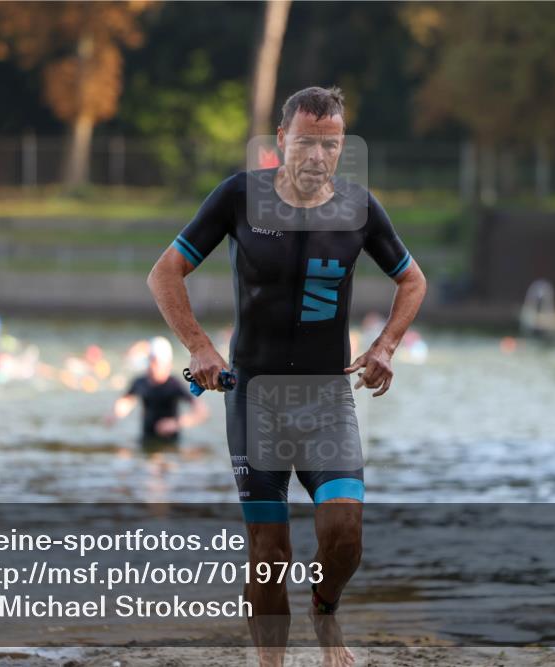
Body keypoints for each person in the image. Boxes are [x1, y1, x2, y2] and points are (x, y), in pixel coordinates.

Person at [147, 86, 427, 666]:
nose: (317, 157)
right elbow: (165, 273)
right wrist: (200, 347)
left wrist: (387, 344)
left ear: (342, 147)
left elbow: (412, 280)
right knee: (269, 550)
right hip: (255, 398)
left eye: (330, 145)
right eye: (306, 143)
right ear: (281, 141)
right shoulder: (238, 197)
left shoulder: (360, 209)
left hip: (327, 397)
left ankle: (325, 612)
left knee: (345, 533)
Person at [105, 336, 208, 451]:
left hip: (170, 445)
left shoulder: (174, 385)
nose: (152, 367)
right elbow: (126, 402)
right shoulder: (140, 382)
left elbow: (201, 411)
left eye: (156, 362)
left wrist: (175, 423)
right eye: (150, 361)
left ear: (167, 365)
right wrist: (114, 414)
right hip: (146, 440)